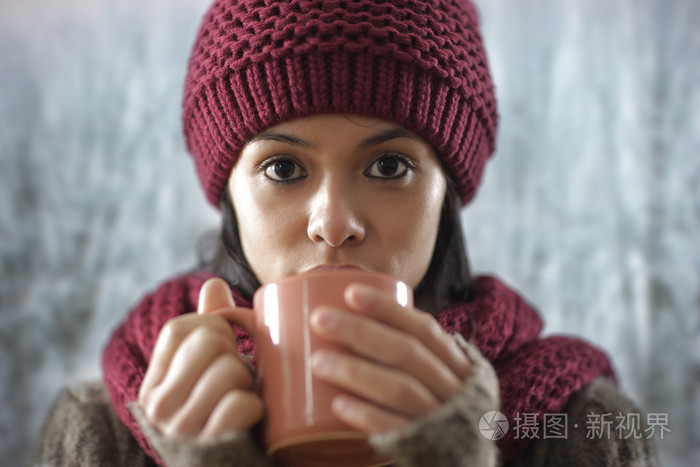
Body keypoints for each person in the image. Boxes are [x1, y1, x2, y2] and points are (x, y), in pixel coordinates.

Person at [33, 0, 659, 466]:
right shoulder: (98, 436)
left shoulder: (581, 429)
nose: (333, 224)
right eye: (283, 168)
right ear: (228, 193)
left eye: (389, 166)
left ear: (448, 192)